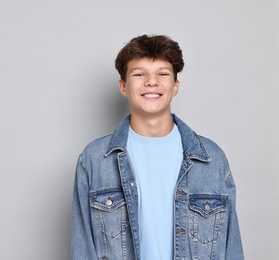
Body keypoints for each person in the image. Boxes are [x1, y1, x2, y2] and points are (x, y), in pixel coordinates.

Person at [71, 34, 244, 260]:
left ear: (175, 86)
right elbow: (83, 249)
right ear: (123, 86)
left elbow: (232, 249)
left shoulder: (211, 159)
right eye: (139, 74)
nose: (151, 82)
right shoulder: (94, 160)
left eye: (162, 74)